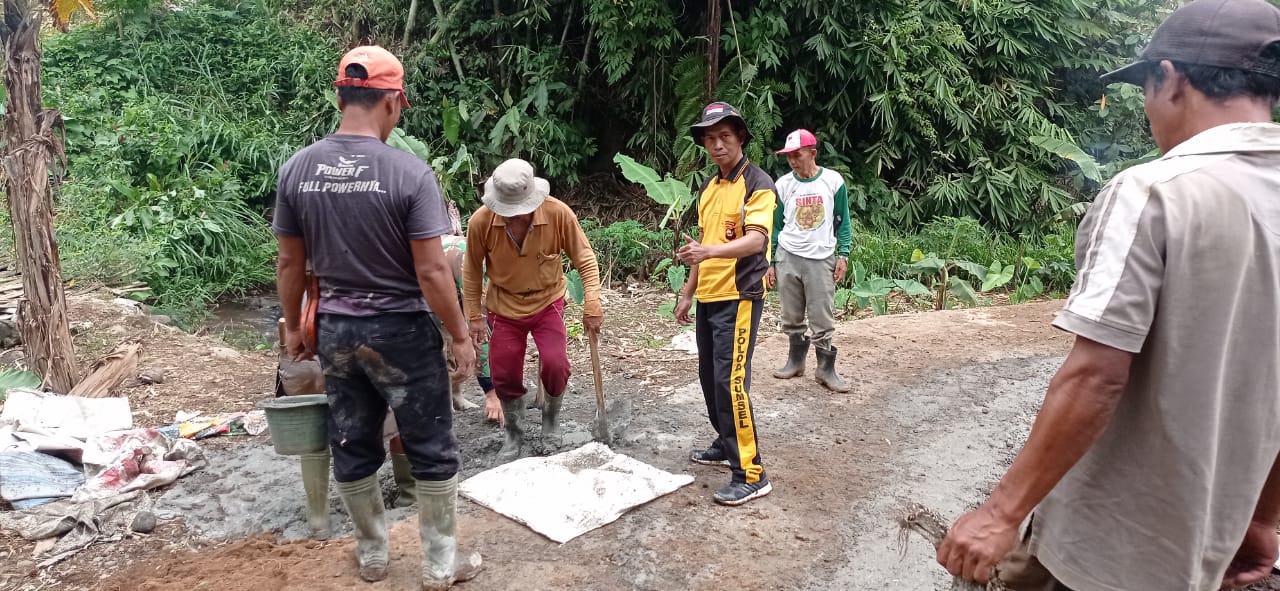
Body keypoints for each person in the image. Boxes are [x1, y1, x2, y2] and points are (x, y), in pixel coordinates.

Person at [936, 1, 1280, 589]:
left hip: (1108, 548)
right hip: (1211, 541)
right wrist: (1262, 515)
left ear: (1168, 79)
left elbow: (1097, 374)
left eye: (1145, 89)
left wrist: (1000, 514)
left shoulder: (1153, 192)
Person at [273, 45, 482, 588]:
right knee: (430, 442)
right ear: (392, 101)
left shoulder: (299, 168)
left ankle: (372, 553)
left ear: (341, 95)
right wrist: (459, 335)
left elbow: (290, 260)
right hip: (402, 333)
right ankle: (440, 564)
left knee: (352, 438)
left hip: (336, 333)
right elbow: (434, 272)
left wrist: (296, 328)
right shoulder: (409, 173)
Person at [462, 158, 604, 461]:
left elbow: (585, 258)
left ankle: (550, 421)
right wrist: (474, 316)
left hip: (547, 301)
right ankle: (514, 430)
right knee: (504, 371)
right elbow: (472, 271)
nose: (514, 217)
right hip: (503, 306)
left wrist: (592, 301)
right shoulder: (480, 222)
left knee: (555, 364)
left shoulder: (557, 213)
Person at [674, 101, 777, 506]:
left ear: (740, 139)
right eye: (710, 139)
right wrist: (687, 292)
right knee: (708, 377)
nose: (717, 145)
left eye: (725, 137)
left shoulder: (758, 183)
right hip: (708, 296)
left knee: (730, 382)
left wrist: (709, 252)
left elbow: (756, 240)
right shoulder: (709, 187)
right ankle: (725, 440)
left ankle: (751, 472)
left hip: (740, 296)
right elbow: (701, 245)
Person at [764, 129, 852, 392]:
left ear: (812, 153)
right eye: (788, 156)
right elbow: (775, 226)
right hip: (788, 256)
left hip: (820, 258)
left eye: (797, 155)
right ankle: (795, 361)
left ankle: (826, 369)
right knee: (790, 314)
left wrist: (843, 255)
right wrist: (771, 261)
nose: (792, 161)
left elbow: (843, 221)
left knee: (822, 317)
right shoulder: (782, 185)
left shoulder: (833, 182)